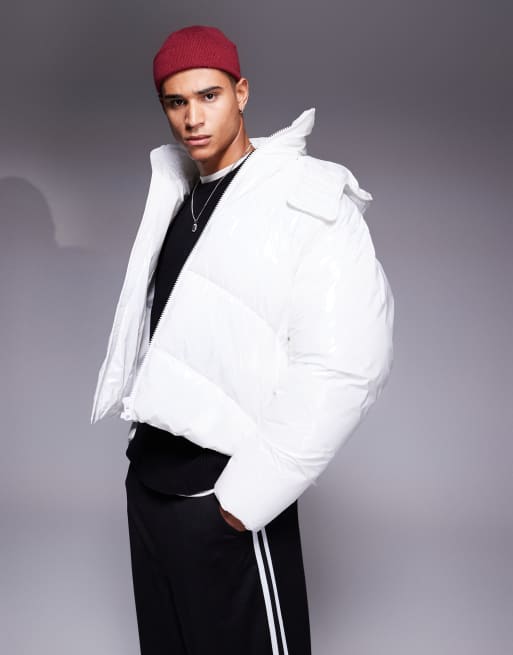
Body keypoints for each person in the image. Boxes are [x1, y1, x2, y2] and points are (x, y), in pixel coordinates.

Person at [90, 24, 394, 655]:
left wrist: (243, 501)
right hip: (150, 486)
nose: (193, 118)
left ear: (242, 93)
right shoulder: (176, 194)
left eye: (209, 96)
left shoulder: (305, 197)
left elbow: (348, 365)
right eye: (176, 102)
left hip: (223, 496)